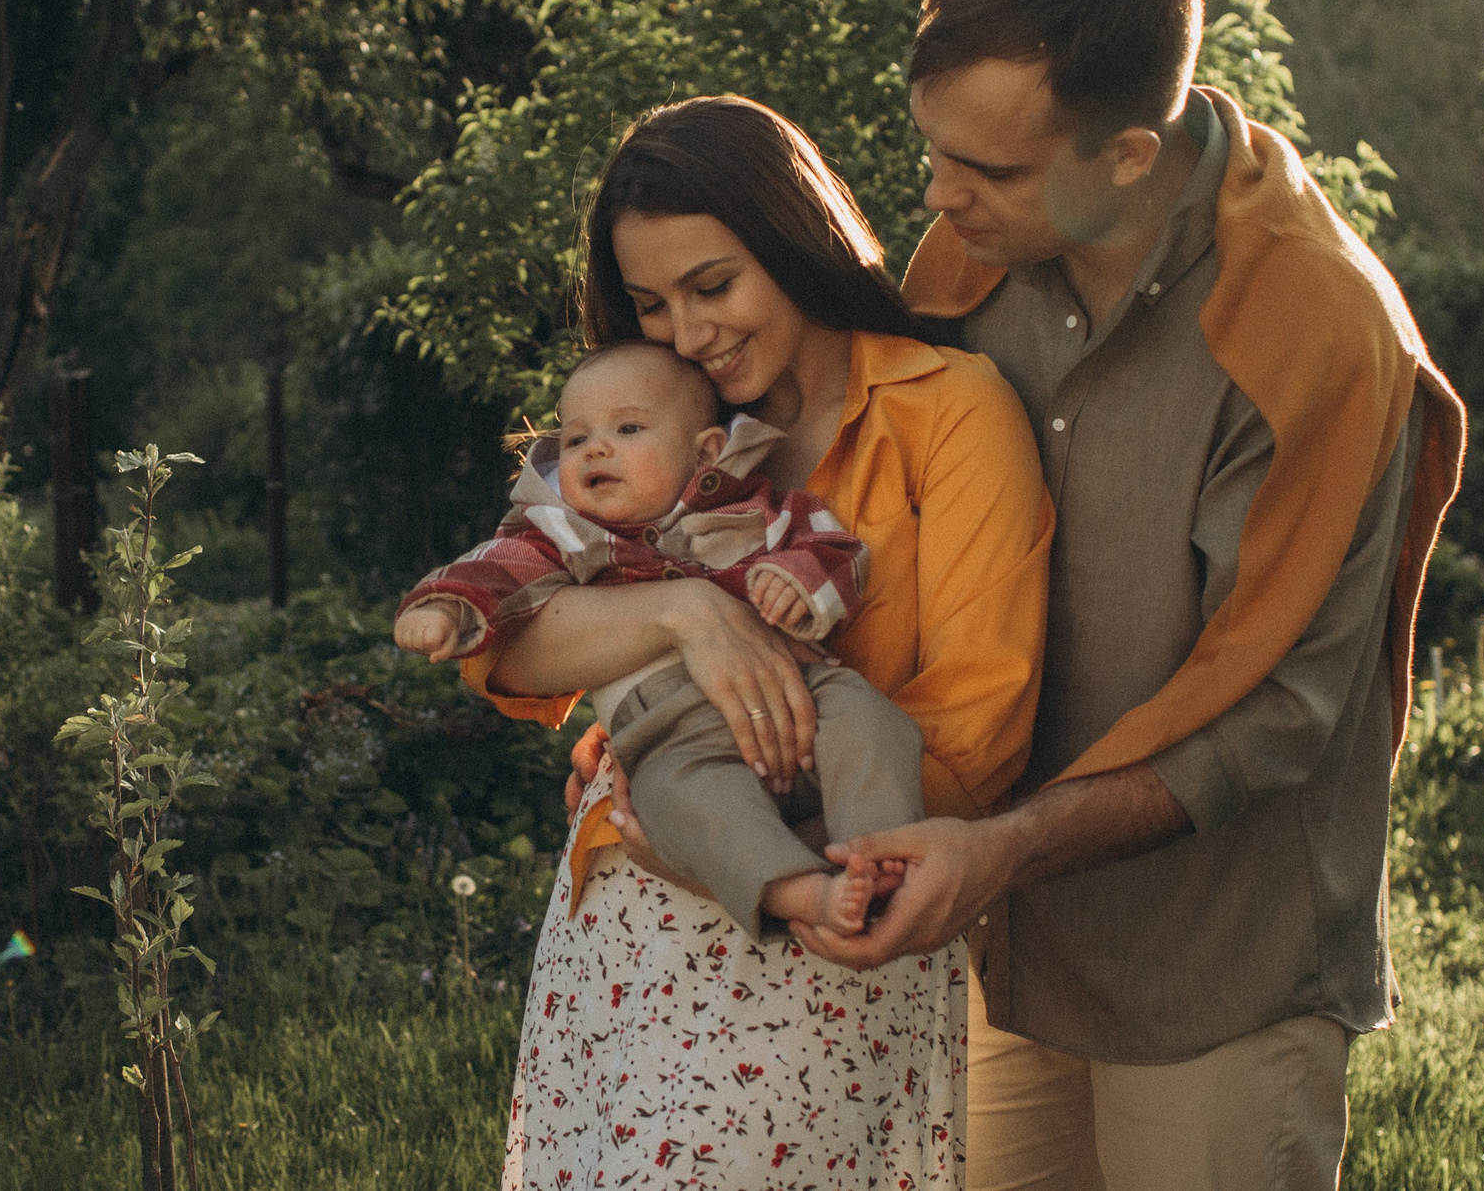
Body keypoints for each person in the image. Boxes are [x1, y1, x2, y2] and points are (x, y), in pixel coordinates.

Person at [791, 0, 1467, 1191]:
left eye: (984, 169)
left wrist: (1005, 843)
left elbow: (1282, 710)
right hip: (996, 930)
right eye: (933, 152)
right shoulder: (969, 260)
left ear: (1128, 152)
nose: (937, 197)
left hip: (1215, 958)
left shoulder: (1313, 325)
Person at [394, 95, 1050, 1190]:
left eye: (713, 285)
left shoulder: (949, 411)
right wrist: (687, 615)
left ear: (798, 239)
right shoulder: (637, 423)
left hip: (842, 904)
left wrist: (740, 849)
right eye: (651, 303)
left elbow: (980, 726)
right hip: (634, 918)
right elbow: (505, 648)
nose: (688, 332)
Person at [394, 339, 920, 939]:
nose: (595, 447)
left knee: (870, 719)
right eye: (574, 439)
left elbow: (837, 552)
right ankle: (801, 892)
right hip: (671, 734)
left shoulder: (755, 511)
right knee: (679, 803)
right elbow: (500, 569)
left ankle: (875, 852)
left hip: (799, 697)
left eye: (628, 428)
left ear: (707, 454)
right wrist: (444, 606)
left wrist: (797, 584)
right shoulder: (565, 532)